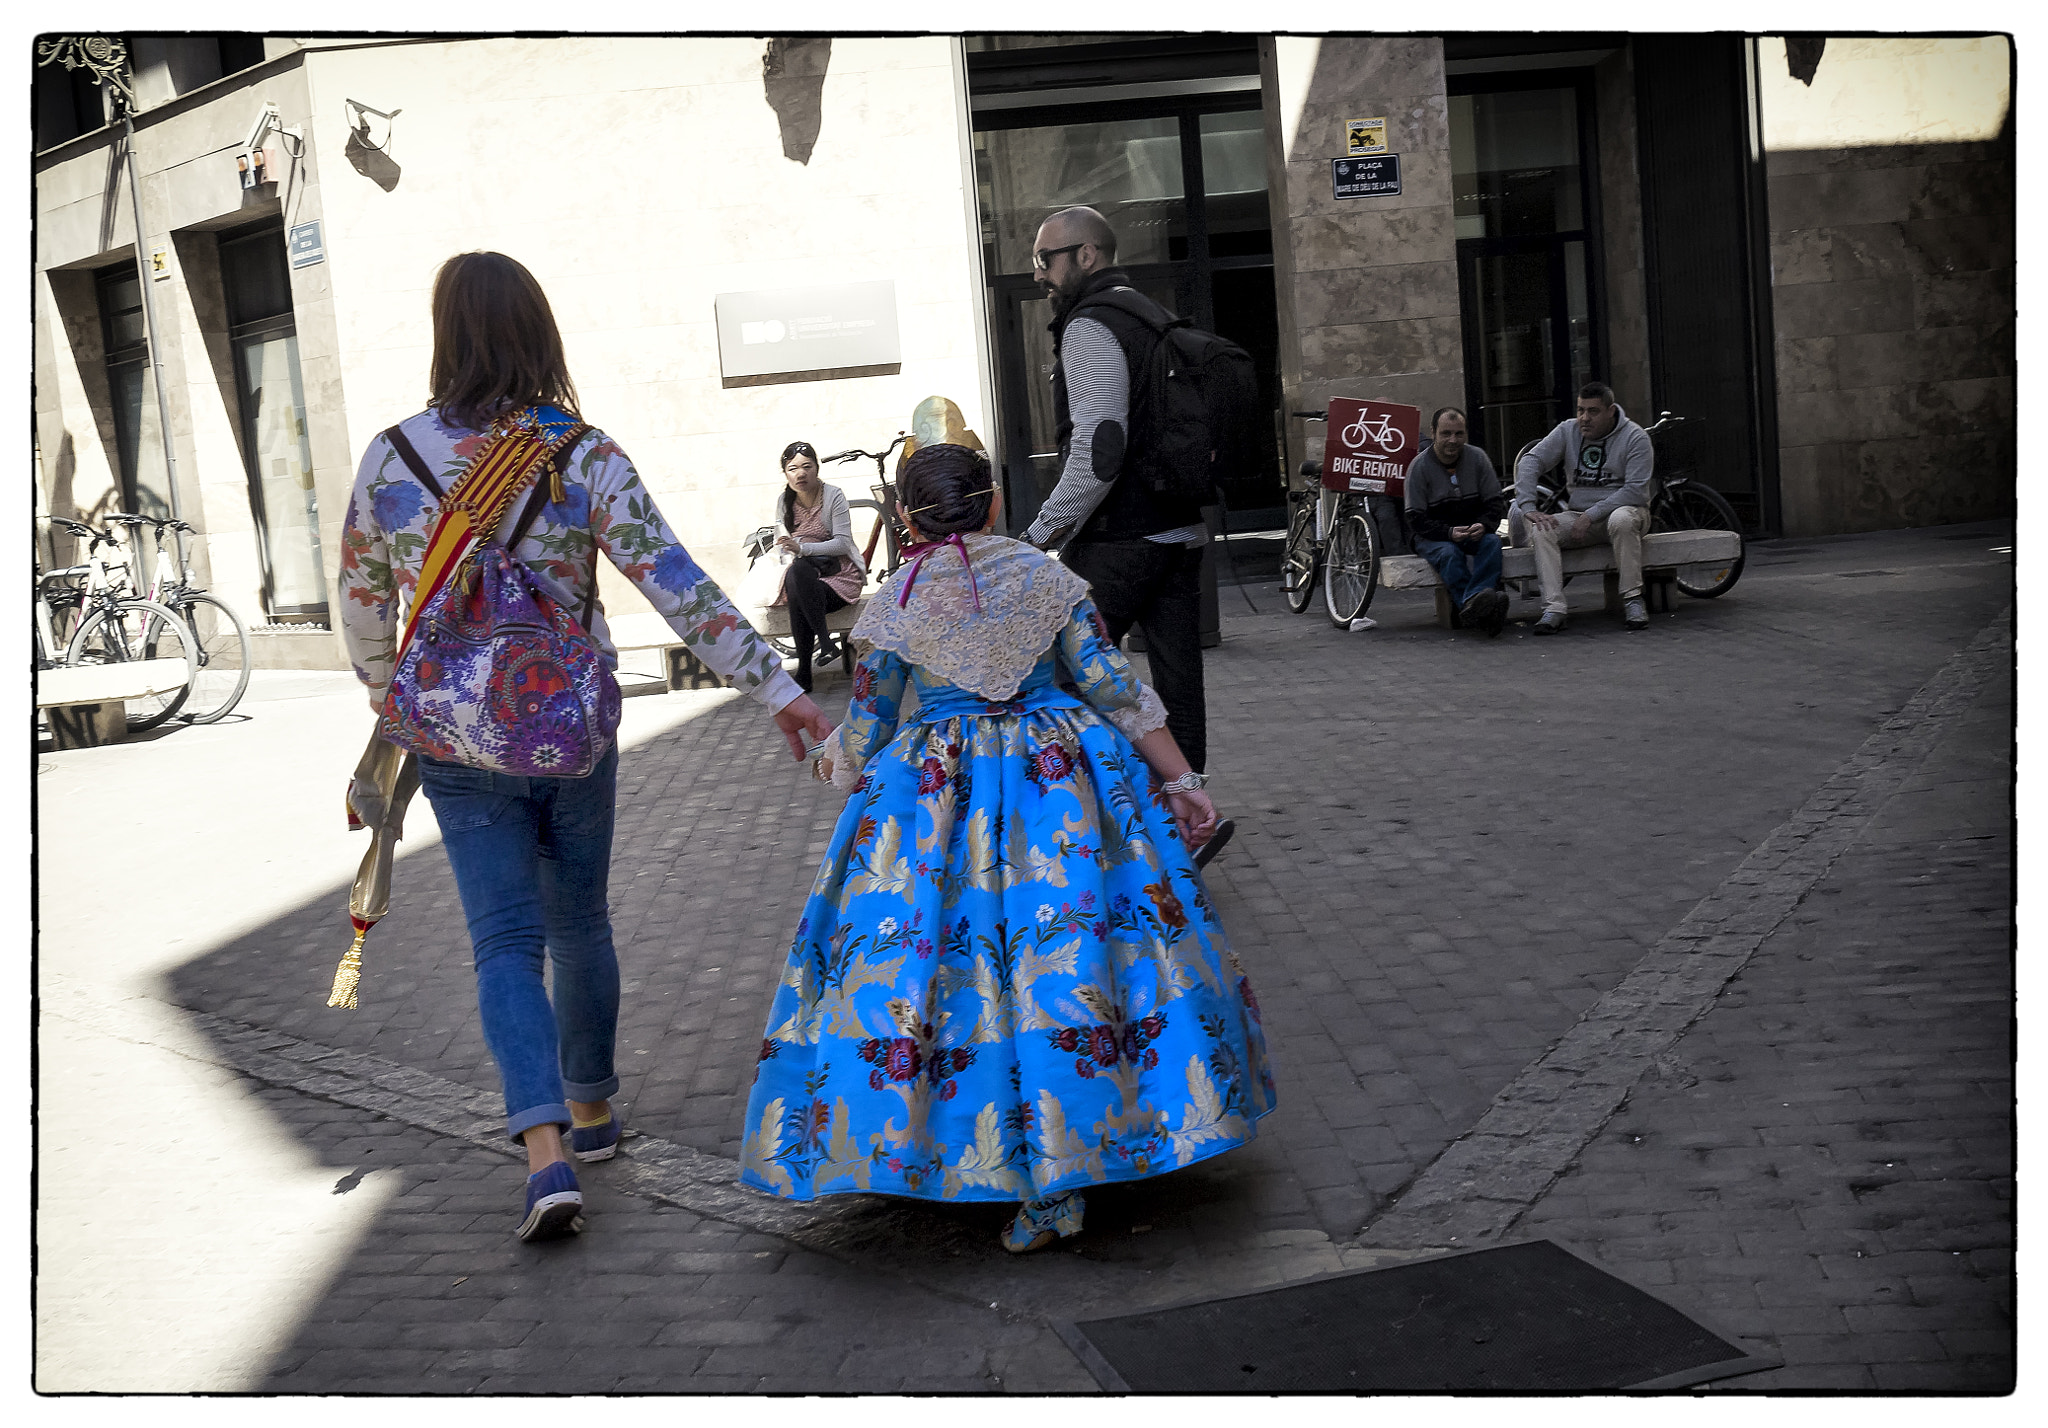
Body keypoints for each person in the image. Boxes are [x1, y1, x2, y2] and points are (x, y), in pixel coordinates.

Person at [340, 251, 833, 1243]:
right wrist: (778, 689)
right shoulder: (584, 455)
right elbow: (680, 585)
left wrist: (396, 703)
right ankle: (596, 1110)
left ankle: (545, 1157)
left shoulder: (391, 461)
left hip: (455, 743)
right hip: (573, 734)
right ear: (540, 332)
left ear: (446, 334)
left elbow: (360, 608)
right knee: (579, 926)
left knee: (503, 947)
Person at [738, 441, 1275, 1254]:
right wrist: (1184, 777)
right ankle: (1096, 1147)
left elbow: (870, 729)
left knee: (944, 974)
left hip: (933, 802)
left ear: (906, 519)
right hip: (1063, 787)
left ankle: (954, 1153)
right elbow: (1115, 688)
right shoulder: (1049, 581)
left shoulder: (892, 607)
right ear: (992, 505)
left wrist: (826, 757)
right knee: (1080, 962)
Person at [1019, 204, 1234, 867]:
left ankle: (1089, 832)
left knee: (1058, 677)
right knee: (1178, 683)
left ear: (1087, 255)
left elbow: (1098, 455)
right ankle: (1186, 821)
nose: (1041, 276)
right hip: (1178, 533)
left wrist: (1035, 538)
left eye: (1047, 260)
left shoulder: (1090, 325)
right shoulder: (1149, 314)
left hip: (1118, 541)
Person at [1512, 382, 1655, 634]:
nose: (1584, 418)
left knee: (1620, 519)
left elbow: (1635, 491)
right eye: (1580, 410)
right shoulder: (1568, 430)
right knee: (1542, 529)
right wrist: (1527, 506)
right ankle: (1554, 609)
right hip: (1579, 516)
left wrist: (1592, 514)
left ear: (1611, 411)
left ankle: (1633, 599)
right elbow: (1530, 460)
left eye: (1593, 411)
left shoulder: (1635, 437)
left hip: (1629, 513)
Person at [769, 439, 866, 691]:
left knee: (797, 579)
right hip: (805, 577)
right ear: (785, 473)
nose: (800, 473)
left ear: (816, 469)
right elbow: (781, 544)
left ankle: (805, 671)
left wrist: (803, 547)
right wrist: (792, 549)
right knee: (797, 574)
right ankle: (824, 645)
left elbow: (843, 544)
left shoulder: (833, 495)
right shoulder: (784, 501)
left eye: (807, 466)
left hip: (840, 578)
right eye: (793, 468)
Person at [1405, 406, 1508, 637]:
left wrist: (1484, 524)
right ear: (1434, 432)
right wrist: (1448, 532)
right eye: (1446, 434)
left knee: (1492, 543)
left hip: (1472, 531)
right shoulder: (1418, 468)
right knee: (1449, 554)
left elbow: (1495, 503)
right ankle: (1477, 607)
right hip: (1432, 535)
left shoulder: (1478, 458)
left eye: (1459, 434)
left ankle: (1478, 603)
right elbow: (1415, 519)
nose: (1453, 440)